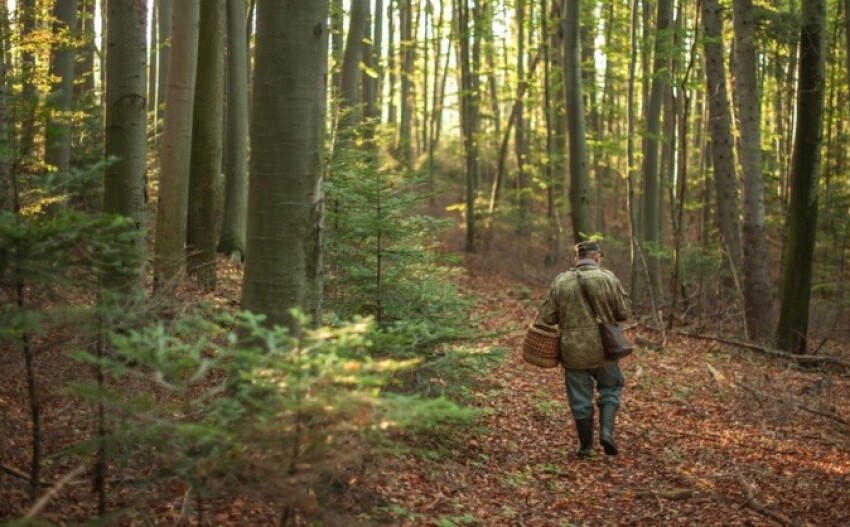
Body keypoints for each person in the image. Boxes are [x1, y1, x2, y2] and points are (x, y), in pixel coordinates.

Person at [538, 240, 631, 458]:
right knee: (610, 389)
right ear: (597, 257)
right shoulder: (608, 278)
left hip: (573, 351)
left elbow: (547, 317)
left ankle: (586, 448)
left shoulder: (561, 281)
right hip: (605, 349)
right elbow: (623, 312)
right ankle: (607, 433)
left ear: (576, 258)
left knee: (580, 399)